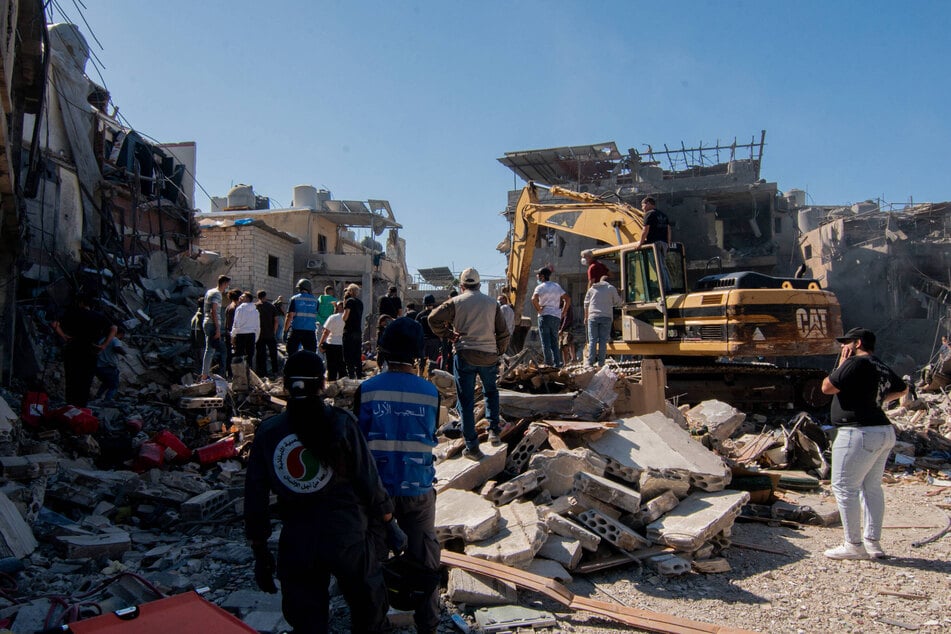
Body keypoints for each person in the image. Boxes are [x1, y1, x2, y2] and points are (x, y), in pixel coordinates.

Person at [244, 351, 400, 633]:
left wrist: (260, 552)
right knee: (368, 612)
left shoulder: (269, 433)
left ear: (285, 385)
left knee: (307, 622)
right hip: (348, 534)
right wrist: (390, 523)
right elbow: (369, 480)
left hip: (299, 538)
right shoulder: (342, 423)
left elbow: (254, 498)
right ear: (323, 383)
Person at [354, 318, 440, 633]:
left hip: (377, 495)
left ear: (383, 351)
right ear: (418, 355)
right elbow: (430, 434)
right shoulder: (430, 392)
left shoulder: (367, 390)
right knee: (425, 558)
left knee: (371, 563)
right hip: (418, 488)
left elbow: (358, 444)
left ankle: (373, 624)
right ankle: (427, 624)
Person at [820, 327, 907, 560]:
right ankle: (873, 543)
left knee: (844, 487)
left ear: (857, 343)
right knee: (871, 487)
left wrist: (841, 362)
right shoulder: (879, 364)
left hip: (857, 432)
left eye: (846, 342)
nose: (842, 347)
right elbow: (902, 388)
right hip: (883, 430)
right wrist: (875, 400)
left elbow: (827, 387)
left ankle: (853, 545)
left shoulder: (854, 363)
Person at [428, 268, 510, 461]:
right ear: (479, 285)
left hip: (465, 354)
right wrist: (498, 352)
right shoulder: (492, 303)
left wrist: (449, 335)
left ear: (462, 285)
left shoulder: (456, 302)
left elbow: (433, 318)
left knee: (465, 401)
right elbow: (503, 333)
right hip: (489, 355)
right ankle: (494, 432)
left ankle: (472, 447)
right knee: (491, 392)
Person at [52, 293, 116, 407]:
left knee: (71, 379)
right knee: (85, 380)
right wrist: (104, 345)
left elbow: (55, 323)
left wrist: (64, 336)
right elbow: (114, 328)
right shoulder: (99, 316)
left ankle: (70, 406)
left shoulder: (71, 314)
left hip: (73, 349)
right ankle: (81, 407)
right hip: (90, 350)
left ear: (81, 303)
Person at [531, 268, 571, 368]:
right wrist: (564, 311)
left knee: (546, 342)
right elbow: (567, 299)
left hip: (544, 316)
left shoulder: (540, 287)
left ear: (542, 276)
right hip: (556, 316)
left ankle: (548, 364)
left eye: (538, 275)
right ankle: (557, 364)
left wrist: (539, 309)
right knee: (554, 341)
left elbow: (533, 299)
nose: (537, 277)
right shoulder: (556, 286)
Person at [635, 195, 672, 291]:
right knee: (663, 266)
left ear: (648, 204)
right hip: (663, 243)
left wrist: (640, 243)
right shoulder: (663, 215)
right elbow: (668, 230)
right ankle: (668, 287)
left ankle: (665, 289)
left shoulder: (649, 214)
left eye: (642, 205)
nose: (642, 208)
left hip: (654, 243)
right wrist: (668, 243)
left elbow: (645, 229)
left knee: (658, 267)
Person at [584, 275, 622, 366]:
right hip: (606, 317)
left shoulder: (592, 289)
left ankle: (590, 363)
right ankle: (601, 363)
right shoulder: (611, 288)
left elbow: (585, 304)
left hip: (592, 317)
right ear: (608, 282)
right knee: (603, 341)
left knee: (592, 340)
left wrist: (586, 317)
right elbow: (618, 302)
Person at [200, 275, 231, 380]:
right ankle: (205, 375)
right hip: (212, 324)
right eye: (227, 284)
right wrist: (218, 329)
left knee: (209, 349)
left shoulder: (210, 291)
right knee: (213, 350)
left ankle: (205, 374)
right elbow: (213, 310)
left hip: (207, 322)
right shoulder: (217, 294)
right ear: (224, 283)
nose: (227, 287)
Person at [284, 279, 319, 354]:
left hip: (296, 330)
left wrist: (285, 330)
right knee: (311, 355)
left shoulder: (295, 298)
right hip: (310, 331)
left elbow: (289, 316)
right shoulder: (315, 300)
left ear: (299, 288)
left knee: (291, 353)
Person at [94, 325, 126, 403]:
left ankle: (97, 396)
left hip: (99, 367)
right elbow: (117, 348)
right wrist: (125, 354)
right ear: (120, 333)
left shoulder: (103, 339)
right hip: (109, 367)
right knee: (114, 385)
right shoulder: (115, 339)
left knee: (106, 383)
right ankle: (107, 400)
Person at [232, 292, 260, 371]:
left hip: (241, 334)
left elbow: (236, 323)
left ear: (248, 298)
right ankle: (249, 375)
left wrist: (233, 335)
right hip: (251, 335)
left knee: (239, 356)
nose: (240, 298)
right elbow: (257, 326)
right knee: (249, 356)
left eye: (243, 297)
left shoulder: (240, 309)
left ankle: (239, 375)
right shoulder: (256, 311)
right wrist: (256, 338)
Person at [255, 290, 280, 378]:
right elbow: (276, 320)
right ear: (265, 296)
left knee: (261, 354)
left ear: (258, 297)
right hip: (270, 334)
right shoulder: (271, 306)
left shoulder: (255, 306)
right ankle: (275, 372)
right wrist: (274, 331)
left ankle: (262, 373)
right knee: (273, 354)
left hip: (259, 335)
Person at [342, 284, 364, 379]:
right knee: (357, 354)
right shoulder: (360, 302)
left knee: (348, 355)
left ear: (350, 291)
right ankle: (359, 375)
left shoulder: (349, 301)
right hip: (358, 331)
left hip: (349, 331)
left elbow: (345, 316)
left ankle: (351, 375)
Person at [319, 301, 346, 381]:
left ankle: (331, 384)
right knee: (342, 366)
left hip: (331, 344)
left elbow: (326, 332)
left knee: (331, 367)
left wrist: (320, 343)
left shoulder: (333, 317)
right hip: (343, 344)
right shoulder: (349, 318)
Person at [417, 294, 441, 372]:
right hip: (434, 340)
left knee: (422, 360)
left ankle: (420, 376)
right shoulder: (436, 314)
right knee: (433, 361)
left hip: (423, 340)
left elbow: (416, 329)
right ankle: (430, 379)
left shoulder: (420, 315)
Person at [224, 288, 242, 376]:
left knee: (230, 354)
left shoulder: (229, 306)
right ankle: (233, 373)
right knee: (234, 354)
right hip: (233, 334)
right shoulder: (234, 308)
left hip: (229, 333)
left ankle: (230, 373)